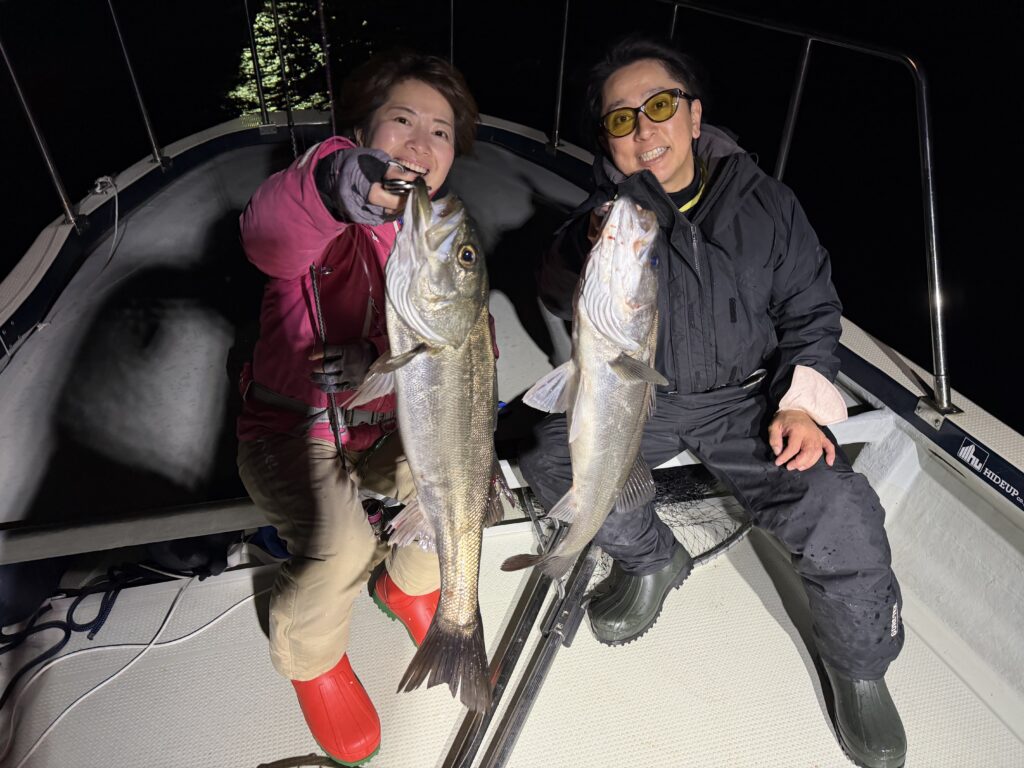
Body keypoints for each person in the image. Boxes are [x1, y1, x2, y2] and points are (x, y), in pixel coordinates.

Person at [519, 36, 906, 768]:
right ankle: (650, 560)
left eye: (660, 106)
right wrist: (582, 249)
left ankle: (860, 668)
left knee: (839, 507)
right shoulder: (605, 217)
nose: (644, 129)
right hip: (647, 395)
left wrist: (801, 402)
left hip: (750, 401)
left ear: (694, 117)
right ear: (609, 140)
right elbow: (555, 285)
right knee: (547, 456)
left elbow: (812, 312)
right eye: (622, 119)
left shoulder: (768, 205)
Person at [235, 49, 478, 766]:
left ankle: (408, 586)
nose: (420, 142)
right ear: (363, 133)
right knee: (338, 545)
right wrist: (332, 184)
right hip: (291, 429)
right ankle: (310, 657)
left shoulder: (438, 237)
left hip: (387, 429)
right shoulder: (324, 211)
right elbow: (267, 234)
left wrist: (379, 357)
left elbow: (468, 344)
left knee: (461, 492)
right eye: (402, 120)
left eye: (441, 131)